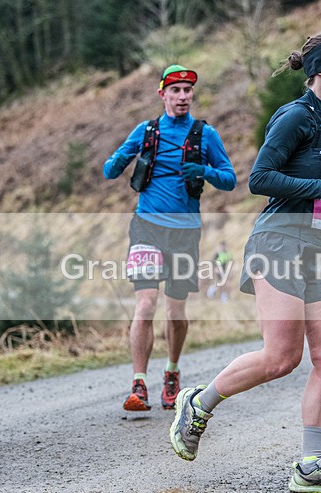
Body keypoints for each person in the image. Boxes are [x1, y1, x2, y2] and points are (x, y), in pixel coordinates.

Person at [169, 32, 321, 493]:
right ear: (320, 70)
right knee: (281, 358)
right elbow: (260, 179)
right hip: (279, 243)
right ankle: (198, 401)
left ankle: (311, 466)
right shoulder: (295, 117)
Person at [103, 65, 237, 411]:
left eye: (187, 91)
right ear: (162, 94)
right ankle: (139, 384)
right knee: (145, 303)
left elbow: (230, 179)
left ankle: (172, 372)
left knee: (175, 309)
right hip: (146, 226)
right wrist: (118, 161)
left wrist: (204, 170)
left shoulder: (205, 135)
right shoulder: (146, 131)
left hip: (185, 233)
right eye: (175, 90)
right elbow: (109, 169)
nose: (182, 96)